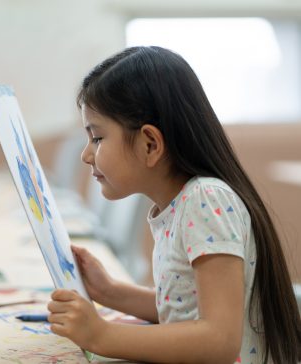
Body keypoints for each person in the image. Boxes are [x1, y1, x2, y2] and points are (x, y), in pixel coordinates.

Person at [47, 46, 301, 364]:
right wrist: (111, 292)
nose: (87, 154)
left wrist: (102, 335)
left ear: (150, 144)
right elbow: (183, 308)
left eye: (97, 138)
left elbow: (219, 339)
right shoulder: (180, 205)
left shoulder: (205, 201)